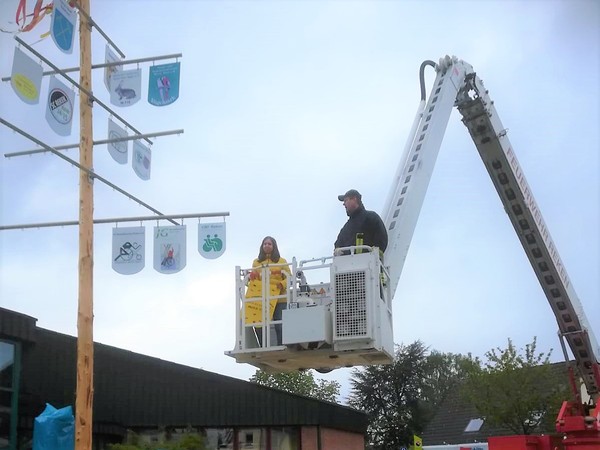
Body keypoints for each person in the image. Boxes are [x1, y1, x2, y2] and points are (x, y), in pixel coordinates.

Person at [245, 236, 291, 347]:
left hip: (279, 298)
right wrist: (250, 279)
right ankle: (263, 346)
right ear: (262, 246)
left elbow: (289, 277)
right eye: (265, 244)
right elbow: (252, 280)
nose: (267, 245)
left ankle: (281, 346)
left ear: (274, 246)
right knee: (258, 323)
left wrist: (282, 285)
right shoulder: (256, 262)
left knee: (279, 323)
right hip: (261, 298)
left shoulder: (282, 261)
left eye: (269, 244)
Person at [334, 189, 388, 256]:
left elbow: (381, 239)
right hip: (348, 265)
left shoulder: (371, 218)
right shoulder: (346, 228)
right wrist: (337, 250)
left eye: (345, 200)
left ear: (354, 199)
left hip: (369, 264)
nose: (344, 204)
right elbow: (338, 243)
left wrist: (376, 253)